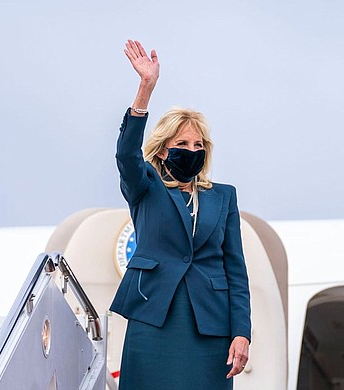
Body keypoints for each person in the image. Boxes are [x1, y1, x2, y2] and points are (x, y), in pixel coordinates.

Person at [109, 39, 251, 390]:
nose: (192, 151)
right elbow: (126, 155)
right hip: (154, 317)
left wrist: (241, 332)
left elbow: (235, 269)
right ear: (164, 148)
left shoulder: (223, 197)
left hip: (210, 326)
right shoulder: (146, 186)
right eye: (184, 144)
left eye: (199, 145)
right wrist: (145, 88)